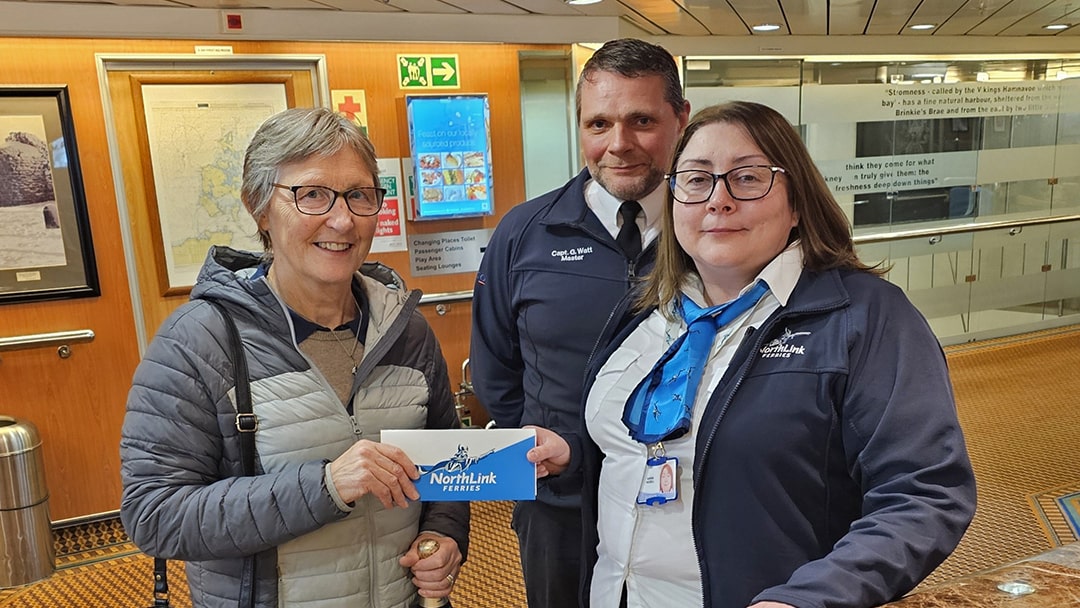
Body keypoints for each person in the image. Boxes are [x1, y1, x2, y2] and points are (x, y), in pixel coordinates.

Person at [529, 101, 977, 608]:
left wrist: (806, 598)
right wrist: (574, 453)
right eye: (696, 180)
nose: (717, 200)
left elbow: (925, 493)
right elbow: (659, 450)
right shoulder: (646, 309)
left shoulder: (865, 318)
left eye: (747, 178)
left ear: (797, 203)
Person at [120, 107, 468, 608]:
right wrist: (325, 485)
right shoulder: (201, 340)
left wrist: (444, 537)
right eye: (312, 195)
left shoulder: (405, 329)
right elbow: (154, 515)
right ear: (259, 208)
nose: (343, 219)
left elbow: (444, 464)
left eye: (359, 195)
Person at [469, 37, 690, 607]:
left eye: (642, 120)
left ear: (680, 119)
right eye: (598, 124)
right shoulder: (524, 233)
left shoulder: (712, 233)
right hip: (560, 508)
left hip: (682, 504)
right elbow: (497, 375)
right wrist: (562, 451)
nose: (619, 145)